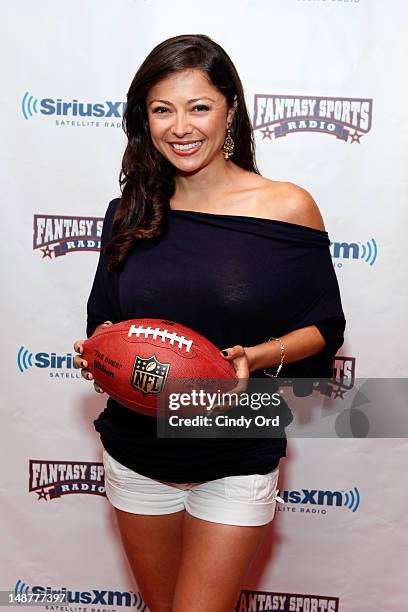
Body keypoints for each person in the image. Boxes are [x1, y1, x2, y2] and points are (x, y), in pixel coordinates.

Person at [74, 34, 345, 612]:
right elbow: (104, 324)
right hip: (136, 445)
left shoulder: (286, 206)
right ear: (143, 119)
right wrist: (98, 354)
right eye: (162, 109)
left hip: (238, 440)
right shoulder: (128, 212)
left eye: (198, 106)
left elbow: (325, 327)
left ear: (230, 110)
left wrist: (256, 356)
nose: (181, 127)